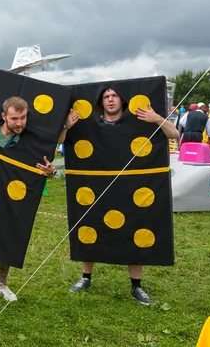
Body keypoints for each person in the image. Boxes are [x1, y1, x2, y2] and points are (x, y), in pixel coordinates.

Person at [0, 96, 78, 309]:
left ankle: (2, 285)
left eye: (23, 118)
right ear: (3, 117)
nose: (19, 123)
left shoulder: (30, 139)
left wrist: (53, 170)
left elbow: (55, 145)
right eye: (14, 118)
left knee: (6, 237)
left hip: (9, 194)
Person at [69, 88, 179, 305]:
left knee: (135, 225)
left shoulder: (142, 121)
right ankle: (85, 278)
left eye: (114, 95)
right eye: (106, 96)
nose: (110, 99)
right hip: (95, 185)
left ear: (122, 99)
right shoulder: (89, 124)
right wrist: (67, 126)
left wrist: (156, 118)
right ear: (101, 102)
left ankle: (136, 286)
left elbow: (174, 134)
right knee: (89, 223)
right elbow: (62, 139)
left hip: (131, 187)